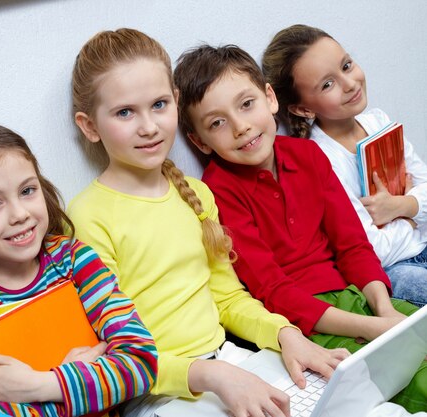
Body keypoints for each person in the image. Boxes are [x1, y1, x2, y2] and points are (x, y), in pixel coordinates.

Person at [68, 28, 348, 417]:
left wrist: (286, 335)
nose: (148, 126)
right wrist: (213, 376)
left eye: (159, 104)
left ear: (176, 102)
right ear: (89, 126)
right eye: (124, 112)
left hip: (232, 360)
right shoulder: (87, 218)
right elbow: (116, 353)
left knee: (352, 401)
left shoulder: (197, 194)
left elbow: (228, 298)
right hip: (159, 391)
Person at [174, 43, 427, 412]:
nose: (241, 126)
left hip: (357, 293)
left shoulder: (309, 155)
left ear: (270, 98)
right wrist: (369, 328)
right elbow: (272, 289)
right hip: (306, 322)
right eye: (217, 123)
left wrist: (384, 310)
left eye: (247, 104)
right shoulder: (219, 191)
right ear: (200, 142)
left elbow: (353, 246)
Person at [0, 124, 157, 416]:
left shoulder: (74, 260)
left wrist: (42, 385)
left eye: (27, 190)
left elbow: (142, 363)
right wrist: (85, 387)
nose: (20, 214)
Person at [261, 24, 427, 307]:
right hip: (394, 271)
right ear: (303, 109)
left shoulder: (378, 121)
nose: (349, 84)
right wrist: (417, 218)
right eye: (328, 84)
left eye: (347, 66)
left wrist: (402, 208)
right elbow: (374, 250)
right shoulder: (319, 158)